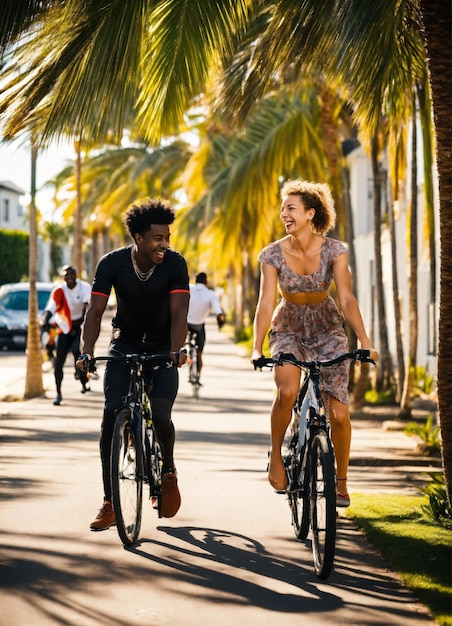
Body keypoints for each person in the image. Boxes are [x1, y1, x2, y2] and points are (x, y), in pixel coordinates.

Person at [250, 179, 378, 507]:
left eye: (290, 208)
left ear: (310, 213)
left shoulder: (336, 251)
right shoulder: (272, 254)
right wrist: (256, 346)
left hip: (327, 327)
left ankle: (342, 482)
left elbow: (347, 298)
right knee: (288, 390)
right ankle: (277, 456)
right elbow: (265, 302)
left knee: (339, 414)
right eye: (283, 209)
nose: (284, 214)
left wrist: (365, 340)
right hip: (289, 326)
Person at [79, 199, 189, 530]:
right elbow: (95, 312)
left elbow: (179, 313)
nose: (165, 244)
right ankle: (110, 502)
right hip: (123, 342)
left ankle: (167, 468)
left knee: (160, 412)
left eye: (167, 237)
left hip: (162, 344)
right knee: (112, 413)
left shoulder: (175, 264)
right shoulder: (112, 263)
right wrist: (86, 351)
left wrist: (176, 349)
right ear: (138, 238)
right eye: (158, 238)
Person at [42, 265, 91, 406]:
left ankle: (82, 380)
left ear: (76, 275)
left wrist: (84, 322)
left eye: (72, 274)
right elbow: (51, 307)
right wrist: (45, 319)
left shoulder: (84, 287)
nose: (69, 277)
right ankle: (58, 394)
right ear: (63, 277)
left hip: (80, 325)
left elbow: (87, 305)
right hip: (65, 327)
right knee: (59, 362)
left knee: (77, 351)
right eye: (66, 274)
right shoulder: (59, 290)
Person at [187, 272, 225, 383]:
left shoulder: (189, 288)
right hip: (199, 326)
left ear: (195, 281)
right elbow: (218, 311)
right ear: (206, 282)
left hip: (186, 325)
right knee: (199, 352)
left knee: (185, 346)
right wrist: (221, 321)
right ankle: (198, 375)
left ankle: (186, 355)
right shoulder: (210, 294)